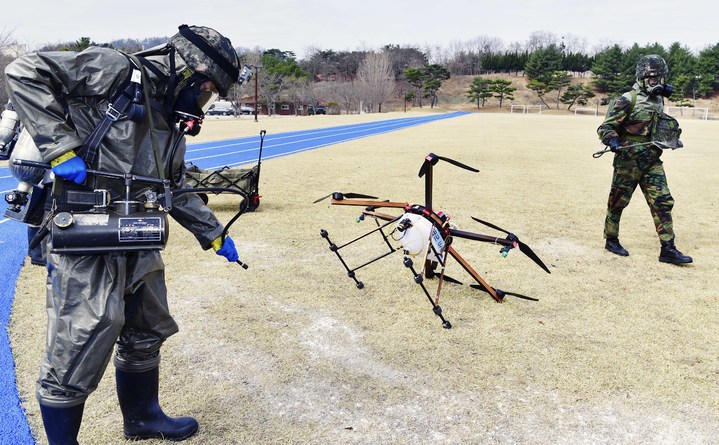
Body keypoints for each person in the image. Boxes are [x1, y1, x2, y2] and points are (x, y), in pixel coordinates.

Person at [4, 25, 245, 443]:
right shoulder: (115, 69)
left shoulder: (168, 118)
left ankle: (143, 418)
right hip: (86, 230)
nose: (204, 97)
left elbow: (173, 186)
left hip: (139, 231)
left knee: (147, 326)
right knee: (82, 336)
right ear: (185, 69)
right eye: (205, 86)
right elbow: (24, 71)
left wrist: (214, 233)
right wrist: (60, 148)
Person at [597, 54, 692, 265]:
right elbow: (605, 127)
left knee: (662, 201)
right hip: (627, 161)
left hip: (651, 160)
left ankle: (668, 248)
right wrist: (613, 142)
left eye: (660, 78)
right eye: (652, 79)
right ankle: (611, 239)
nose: (657, 83)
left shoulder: (658, 99)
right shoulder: (627, 99)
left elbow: (656, 128)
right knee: (617, 202)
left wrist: (670, 139)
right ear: (641, 78)